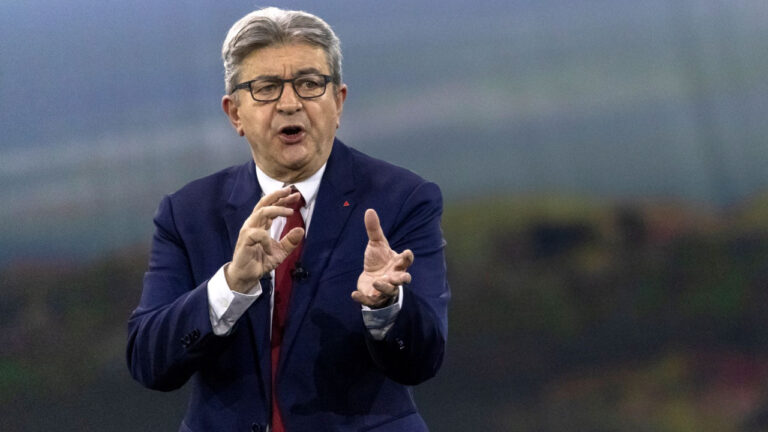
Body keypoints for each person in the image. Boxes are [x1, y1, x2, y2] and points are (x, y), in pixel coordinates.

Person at [126, 7, 449, 432]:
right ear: (235, 113)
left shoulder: (402, 199)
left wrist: (386, 307)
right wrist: (230, 286)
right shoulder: (187, 213)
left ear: (338, 102)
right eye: (266, 88)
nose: (290, 103)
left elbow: (423, 360)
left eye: (310, 84)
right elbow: (149, 362)